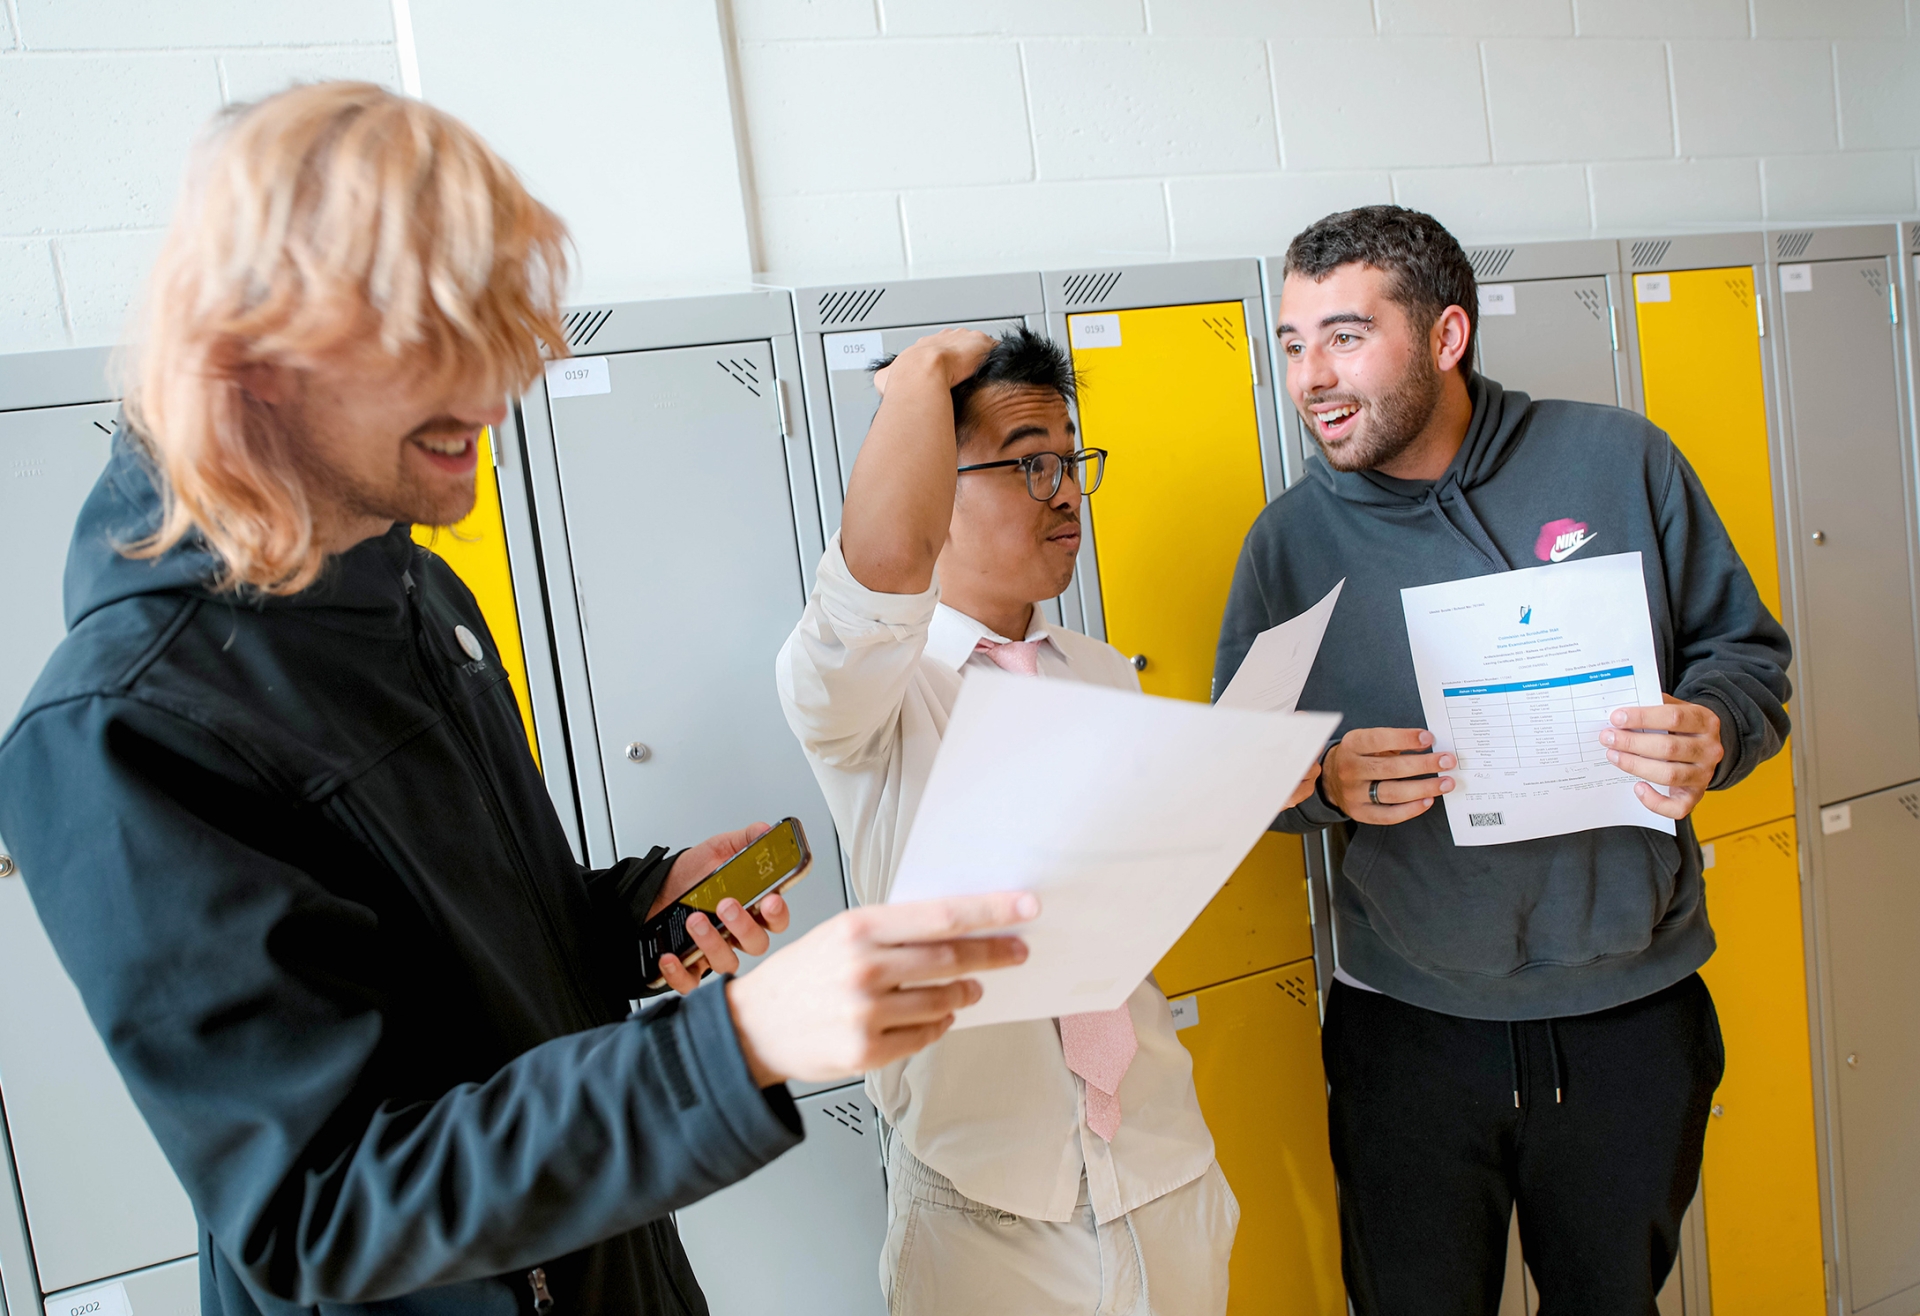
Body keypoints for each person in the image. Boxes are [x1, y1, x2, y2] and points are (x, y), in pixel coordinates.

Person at [0, 83, 1036, 1316]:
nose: (501, 392)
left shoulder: (414, 590)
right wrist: (743, 1043)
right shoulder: (122, 726)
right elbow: (319, 1209)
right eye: (446, 342)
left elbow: (470, 969)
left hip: (611, 1269)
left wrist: (629, 918)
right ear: (259, 347)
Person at [1217, 205, 1792, 1314]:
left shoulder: (1619, 459)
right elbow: (1237, 773)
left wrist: (1714, 727)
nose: (1309, 376)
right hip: (1409, 1029)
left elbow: (1744, 653)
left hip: (1630, 1012)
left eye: (1344, 335)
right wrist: (1323, 785)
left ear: (1444, 337)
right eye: (1291, 342)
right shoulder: (1286, 544)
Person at [778, 326, 1318, 1315]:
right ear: (935, 484)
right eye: (1029, 463)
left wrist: (1228, 791)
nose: (1065, 490)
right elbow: (874, 584)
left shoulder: (1101, 669)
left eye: (1069, 459)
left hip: (1161, 1164)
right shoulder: (866, 698)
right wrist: (918, 385)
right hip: (985, 1201)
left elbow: (1118, 904)